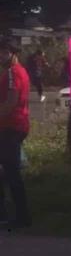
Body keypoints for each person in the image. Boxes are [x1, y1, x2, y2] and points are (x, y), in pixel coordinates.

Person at [0, 38, 31, 229]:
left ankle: (21, 216)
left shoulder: (13, 72)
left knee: (12, 173)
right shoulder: (17, 72)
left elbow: (10, 103)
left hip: (10, 126)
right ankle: (10, 215)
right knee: (7, 172)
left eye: (3, 52)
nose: (0, 56)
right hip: (12, 127)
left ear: (12, 53)